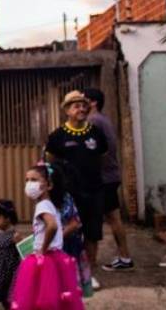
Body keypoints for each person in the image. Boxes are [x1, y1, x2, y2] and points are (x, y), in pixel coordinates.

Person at [45, 90, 108, 289]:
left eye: (83, 105)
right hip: (69, 194)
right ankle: (68, 274)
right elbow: (50, 162)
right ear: (67, 111)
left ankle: (88, 275)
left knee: (92, 234)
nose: (81, 109)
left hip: (94, 190)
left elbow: (103, 155)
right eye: (76, 106)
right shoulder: (57, 136)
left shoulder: (96, 132)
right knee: (69, 233)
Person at [10, 163, 83, 310]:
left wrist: (42, 249)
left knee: (38, 298)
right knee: (56, 296)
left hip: (44, 259)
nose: (29, 184)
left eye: (34, 180)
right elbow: (48, 229)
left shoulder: (42, 205)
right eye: (27, 180)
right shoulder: (51, 204)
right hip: (56, 257)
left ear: (48, 185)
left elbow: (53, 226)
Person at [83, 88, 134, 272]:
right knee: (112, 217)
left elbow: (94, 151)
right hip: (110, 175)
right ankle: (123, 256)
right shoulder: (104, 120)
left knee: (109, 218)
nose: (81, 105)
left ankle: (124, 256)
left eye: (84, 100)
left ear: (93, 102)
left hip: (104, 177)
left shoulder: (93, 121)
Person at [59, 189, 93, 298]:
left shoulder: (64, 198)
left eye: (34, 180)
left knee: (70, 288)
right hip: (52, 249)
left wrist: (56, 238)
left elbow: (74, 223)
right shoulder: (41, 202)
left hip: (68, 247)